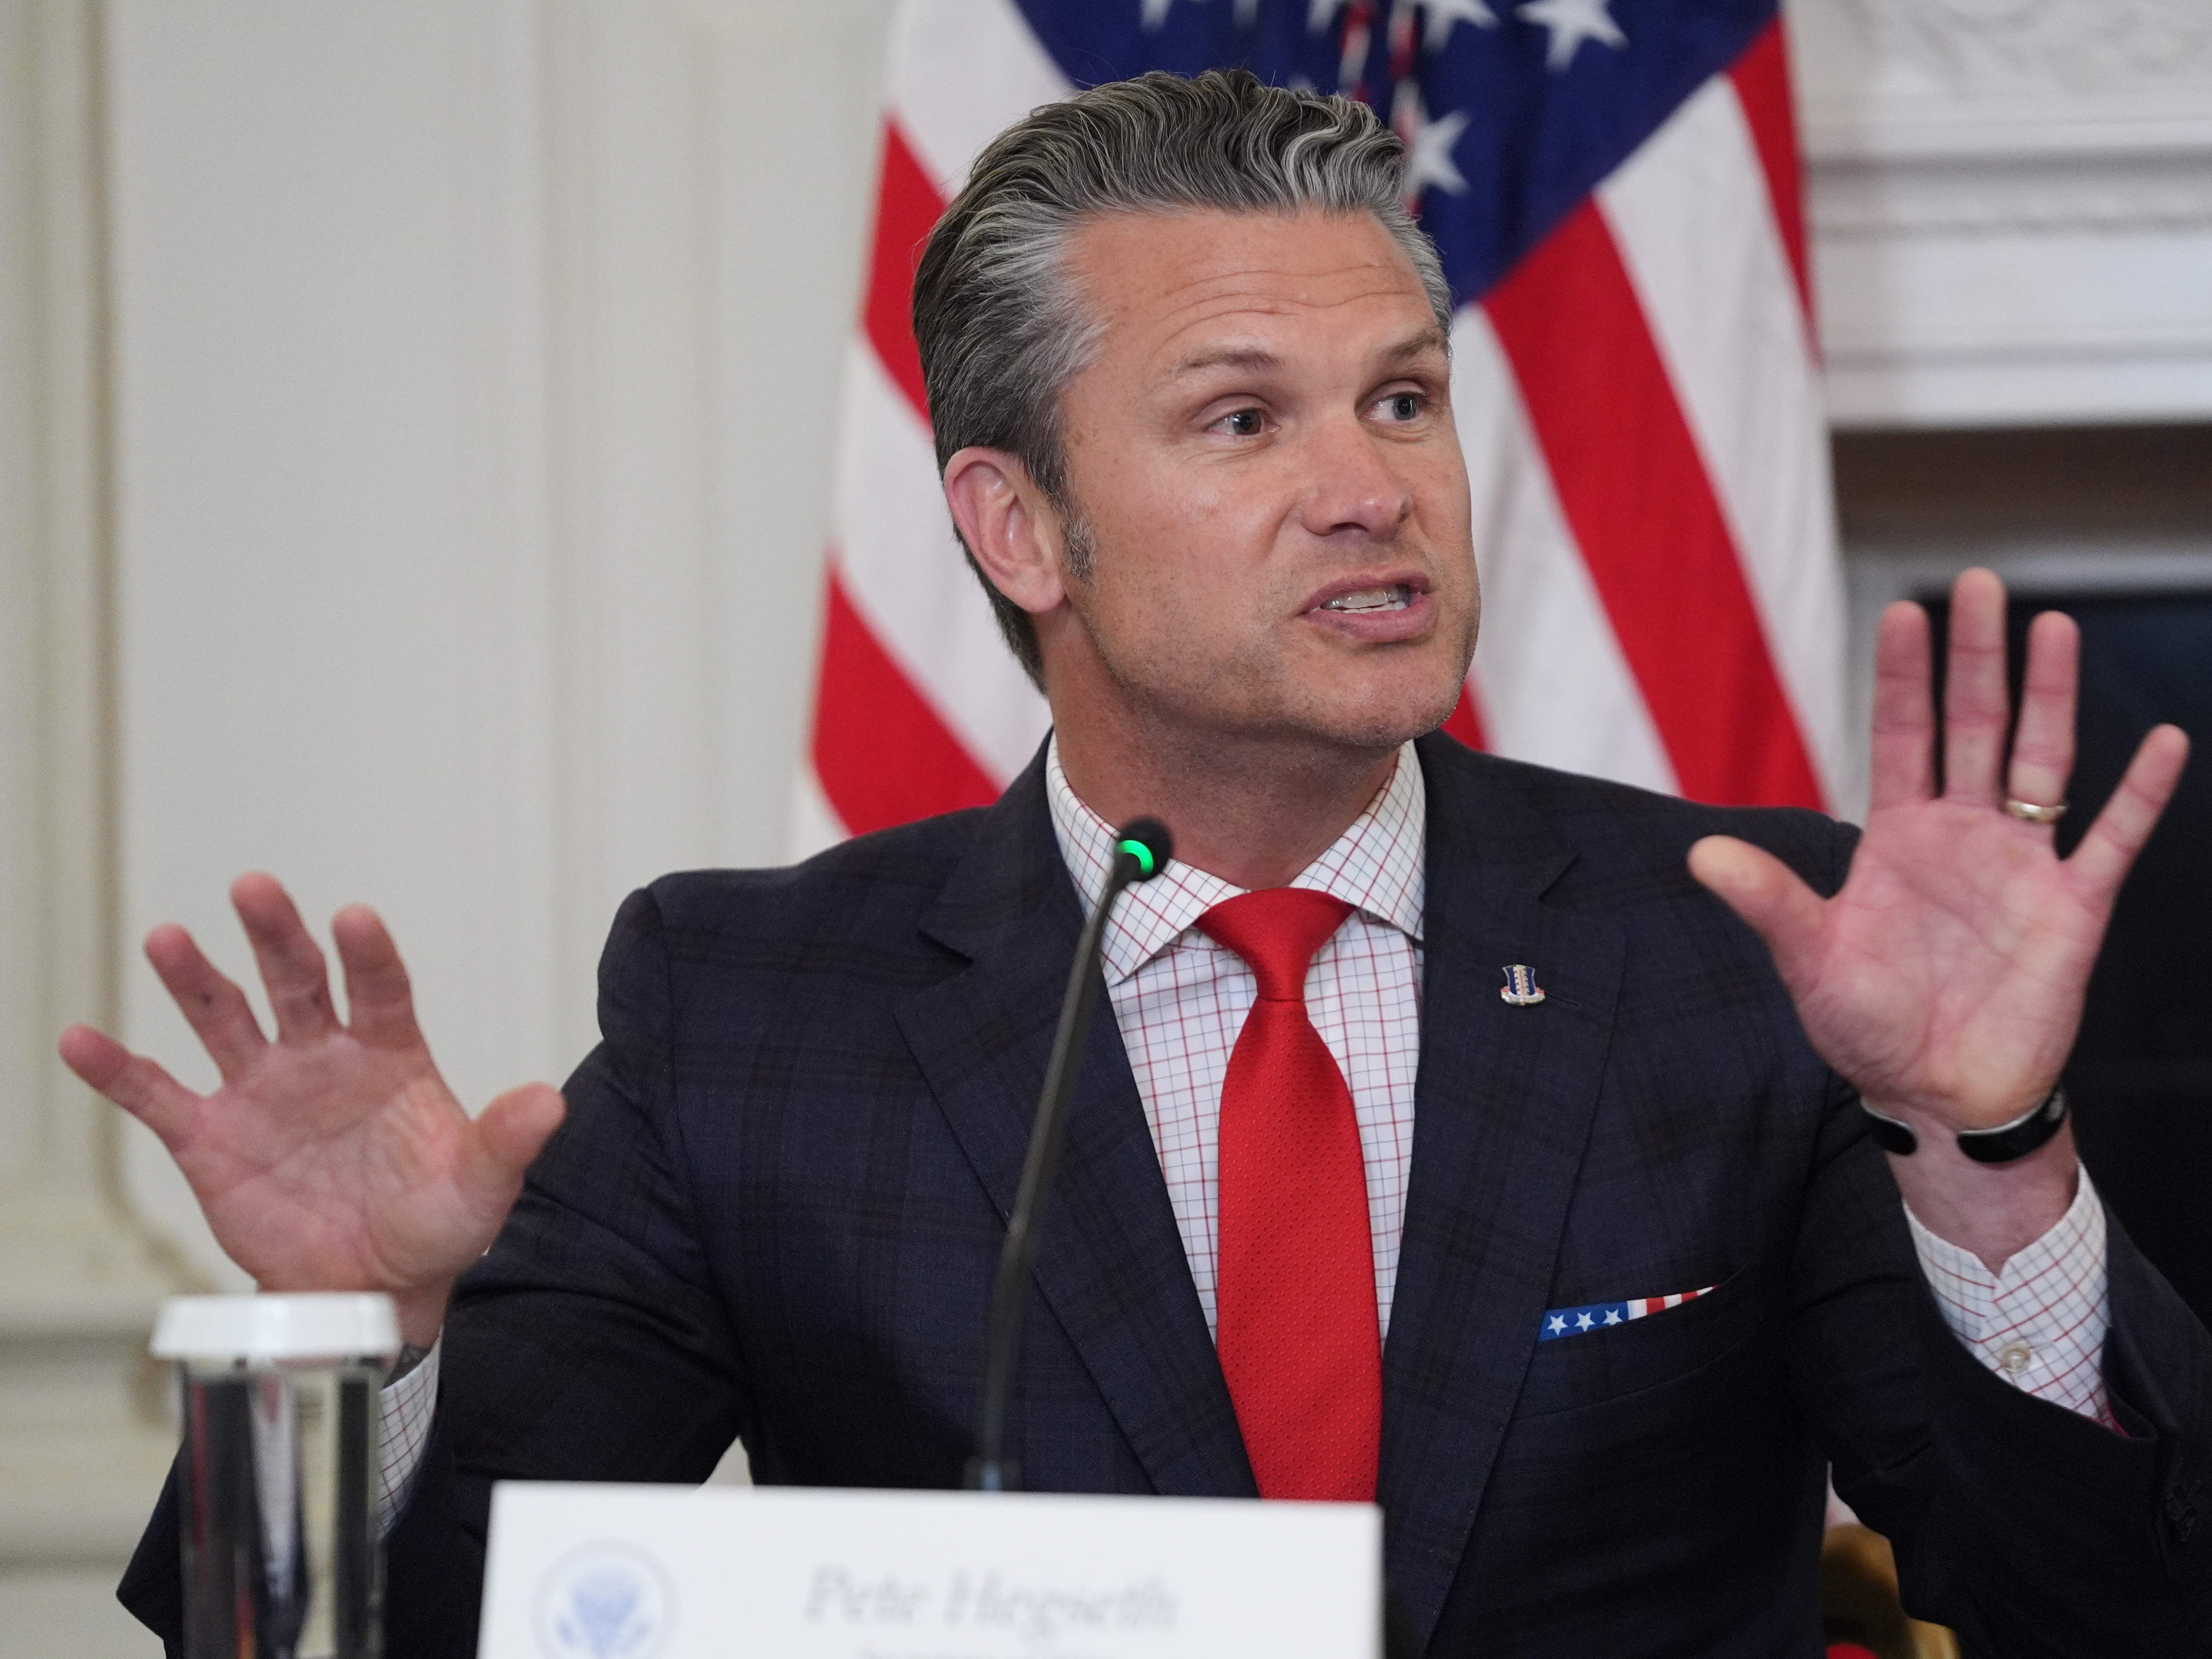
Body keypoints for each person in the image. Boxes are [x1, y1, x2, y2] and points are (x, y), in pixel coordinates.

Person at [77, 71, 2210, 1657]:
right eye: (1240, 418)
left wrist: (1989, 1150)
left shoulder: (1730, 952)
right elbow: (412, 1635)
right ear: (1018, 529)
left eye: (1398, 401)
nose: (1371, 488)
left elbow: (2094, 1609)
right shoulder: (756, 1015)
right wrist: (365, 1343)